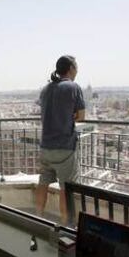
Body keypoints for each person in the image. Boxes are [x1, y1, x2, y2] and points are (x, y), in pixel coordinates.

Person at [35, 55, 85, 225]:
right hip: (64, 147)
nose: (77, 69)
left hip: (45, 146)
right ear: (70, 68)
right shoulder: (73, 87)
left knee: (43, 183)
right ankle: (64, 225)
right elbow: (81, 116)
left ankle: (37, 218)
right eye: (76, 66)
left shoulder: (45, 89)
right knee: (65, 188)